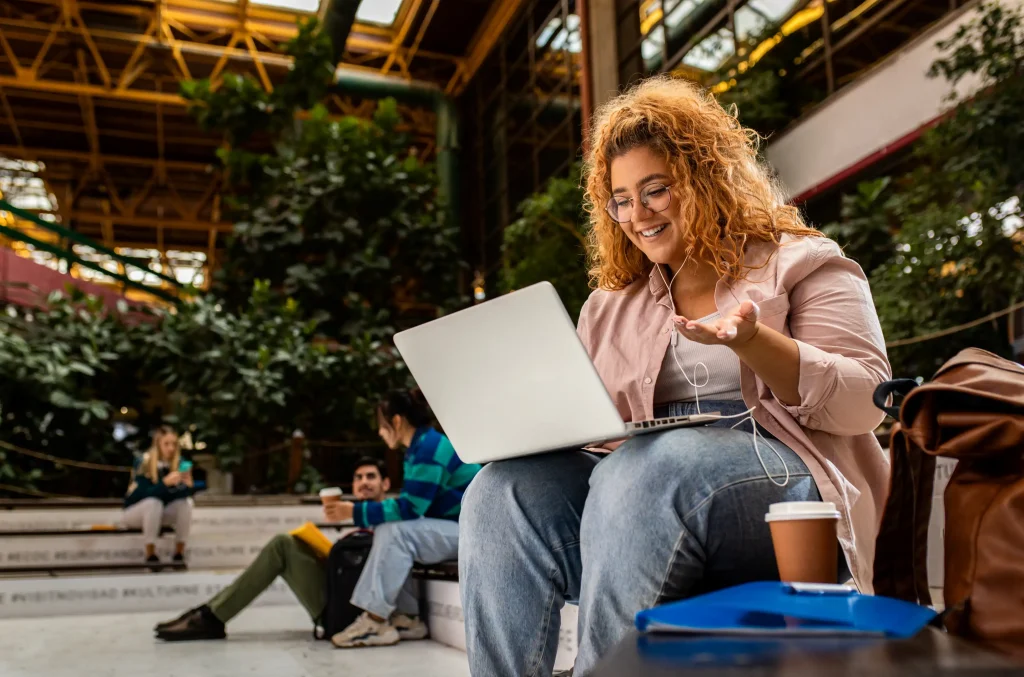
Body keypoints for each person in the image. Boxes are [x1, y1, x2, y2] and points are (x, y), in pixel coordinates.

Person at [459, 76, 892, 676]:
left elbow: (865, 404)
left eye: (656, 190)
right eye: (621, 199)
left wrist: (754, 341)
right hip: (638, 500)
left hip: (786, 488)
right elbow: (596, 437)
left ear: (704, 178)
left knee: (651, 466)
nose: (638, 214)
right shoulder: (608, 307)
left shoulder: (803, 262)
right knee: (501, 490)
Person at [154, 457, 396, 641]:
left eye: (371, 477)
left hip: (355, 615)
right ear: (353, 487)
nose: (364, 482)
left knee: (281, 546)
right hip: (337, 598)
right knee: (286, 543)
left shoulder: (393, 519)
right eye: (359, 478)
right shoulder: (359, 521)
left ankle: (210, 617)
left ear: (385, 483)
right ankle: (210, 614)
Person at [325, 389, 482, 648]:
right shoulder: (421, 446)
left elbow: (410, 508)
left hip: (473, 531)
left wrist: (353, 512)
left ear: (396, 421)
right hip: (459, 528)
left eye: (382, 425)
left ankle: (375, 621)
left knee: (396, 532)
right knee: (395, 531)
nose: (380, 432)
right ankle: (408, 618)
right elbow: (412, 507)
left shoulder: (429, 449)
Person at [123, 425, 195, 566]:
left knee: (186, 503)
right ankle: (150, 553)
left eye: (174, 444)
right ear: (158, 444)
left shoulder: (179, 463)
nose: (171, 448)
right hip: (136, 512)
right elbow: (139, 495)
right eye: (166, 444)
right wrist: (164, 484)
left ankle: (179, 553)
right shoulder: (144, 462)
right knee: (153, 502)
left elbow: (176, 498)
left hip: (161, 513)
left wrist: (187, 486)